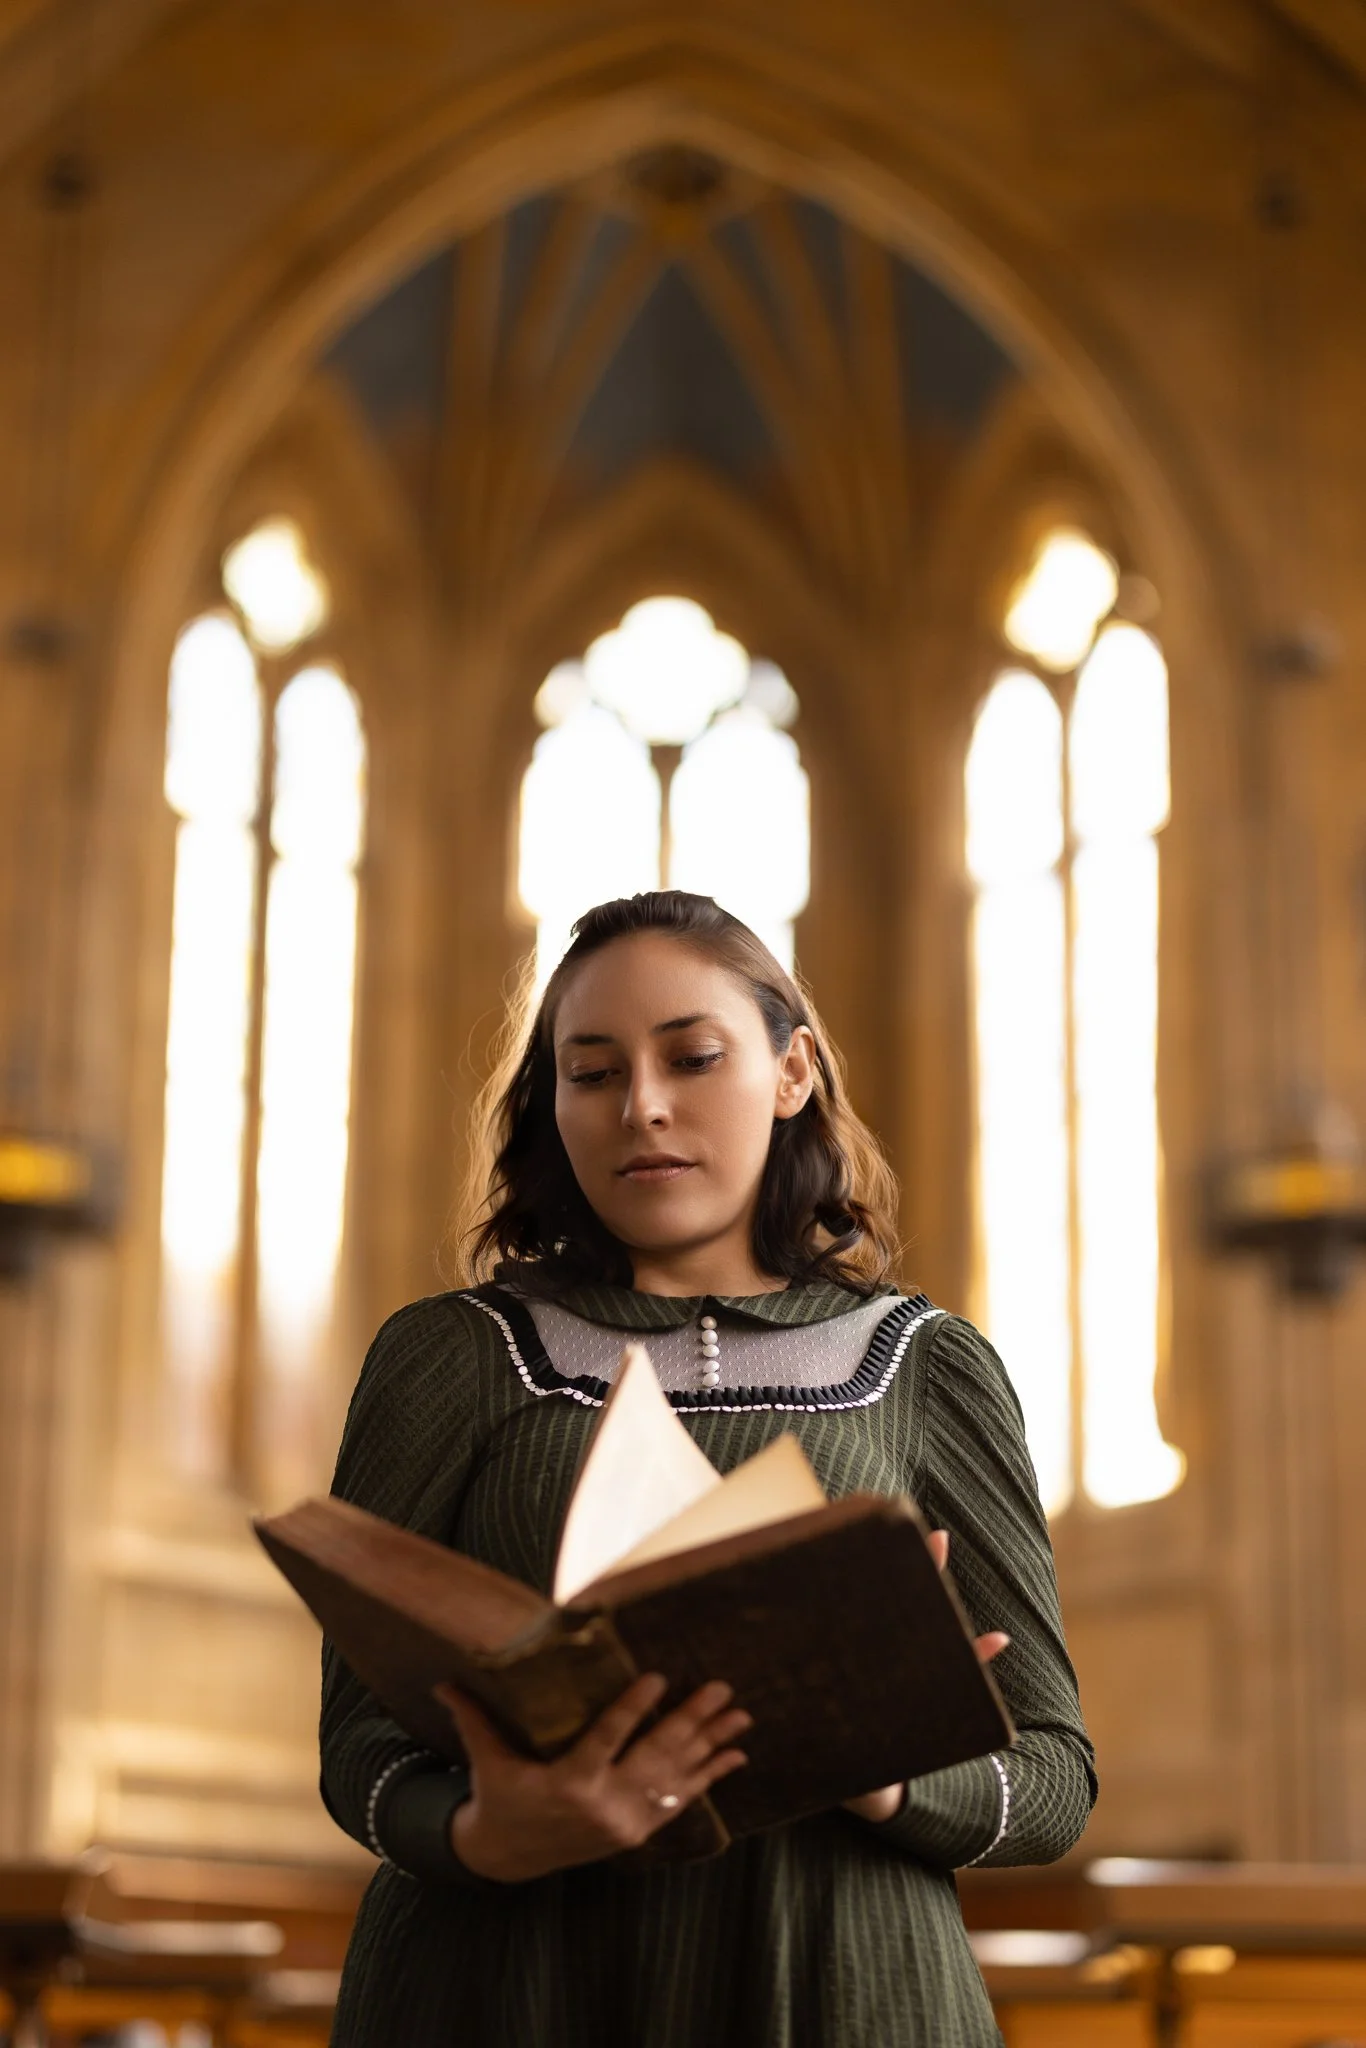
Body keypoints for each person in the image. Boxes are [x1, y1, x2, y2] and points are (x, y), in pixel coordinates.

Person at [321, 890, 1095, 2046]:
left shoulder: (930, 1364)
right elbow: (357, 1749)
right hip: (505, 1982)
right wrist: (491, 1829)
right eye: (591, 1072)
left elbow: (1053, 1779)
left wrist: (880, 1762)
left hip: (840, 1979)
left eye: (692, 1056)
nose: (642, 1105)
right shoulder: (450, 1353)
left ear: (790, 1073)